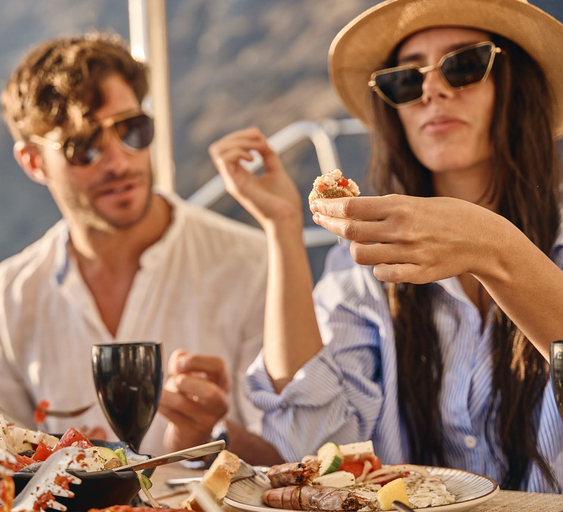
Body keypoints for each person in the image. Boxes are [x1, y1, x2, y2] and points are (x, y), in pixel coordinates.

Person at [210, 0, 563, 492]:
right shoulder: (362, 266)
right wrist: (284, 226)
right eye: (406, 79)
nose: (431, 89)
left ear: (516, 85)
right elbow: (318, 444)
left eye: (463, 65)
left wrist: (496, 247)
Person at [0, 32, 276, 458]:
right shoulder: (9, 293)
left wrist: (209, 440)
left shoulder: (253, 263)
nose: (119, 161)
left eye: (131, 130)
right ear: (33, 162)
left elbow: (296, 458)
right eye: (84, 146)